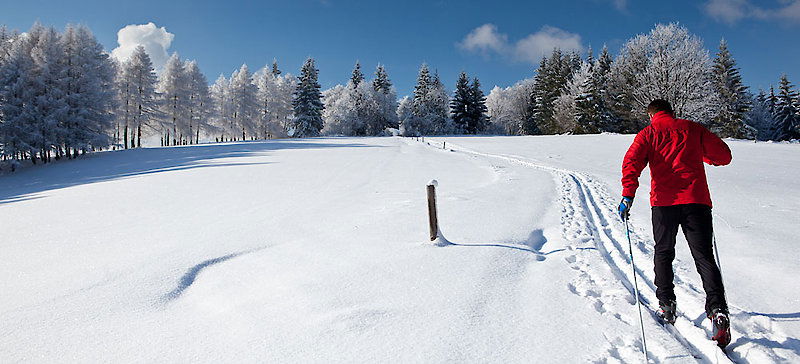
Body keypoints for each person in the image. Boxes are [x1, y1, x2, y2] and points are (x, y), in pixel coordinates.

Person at [617, 99, 732, 348]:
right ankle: (718, 310)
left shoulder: (648, 134)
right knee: (704, 257)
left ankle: (667, 305)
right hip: (697, 202)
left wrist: (628, 194)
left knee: (664, 252)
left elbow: (632, 163)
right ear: (672, 112)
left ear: (651, 116)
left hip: (664, 204)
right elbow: (723, 156)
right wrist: (701, 155)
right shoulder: (692, 129)